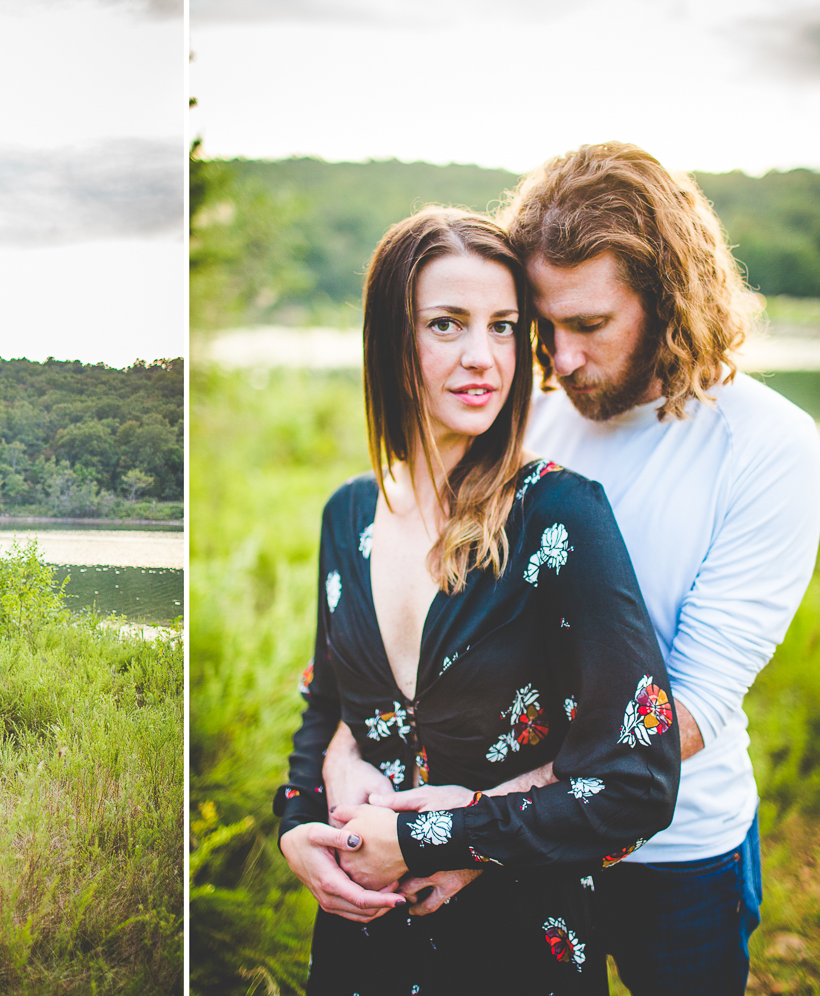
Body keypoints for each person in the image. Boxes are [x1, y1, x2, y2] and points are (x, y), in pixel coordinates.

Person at [322, 143, 820, 995]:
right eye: (539, 324)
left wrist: (476, 827)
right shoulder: (526, 422)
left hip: (675, 852)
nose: (558, 359)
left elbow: (688, 707)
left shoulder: (770, 449)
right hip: (506, 849)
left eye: (589, 325)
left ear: (669, 301)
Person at [276, 206, 681, 995]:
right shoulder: (347, 514)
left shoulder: (558, 515)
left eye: (502, 327)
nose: (482, 359)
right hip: (363, 943)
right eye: (447, 325)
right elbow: (328, 709)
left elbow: (638, 780)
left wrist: (433, 840)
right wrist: (296, 828)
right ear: (391, 340)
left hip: (514, 941)